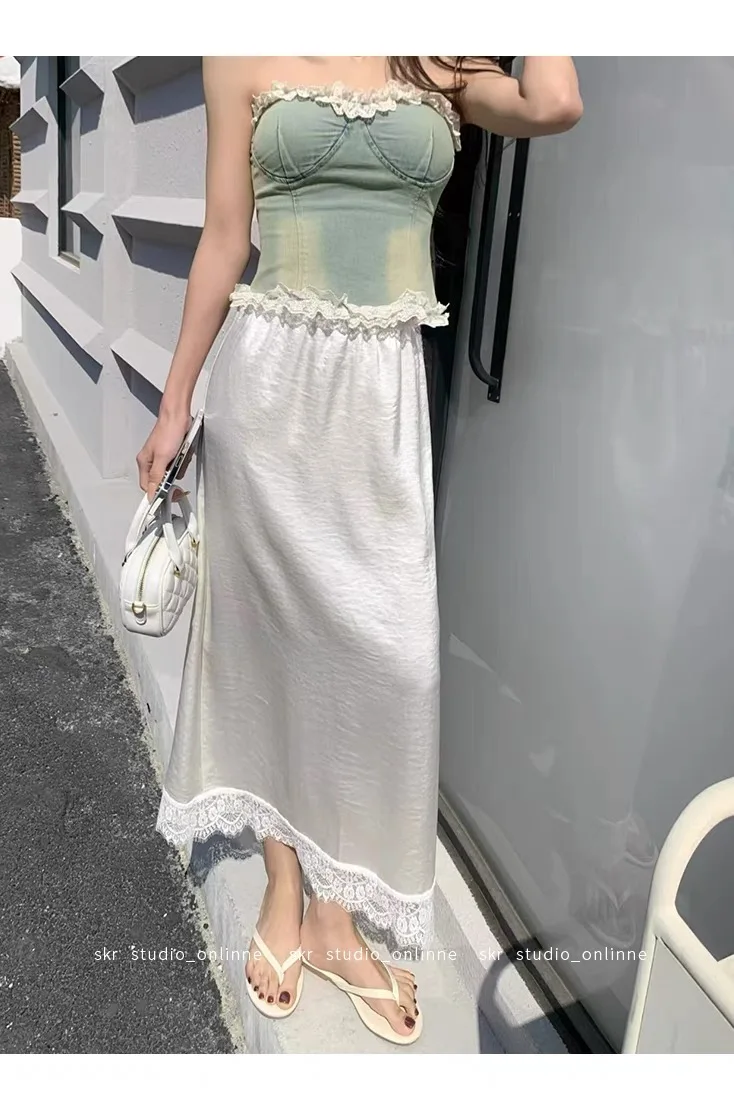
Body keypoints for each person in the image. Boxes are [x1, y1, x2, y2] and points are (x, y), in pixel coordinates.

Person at [136, 55, 582, 1045]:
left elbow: (554, 103)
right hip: (269, 391)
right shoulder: (240, 49)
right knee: (269, 648)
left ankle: (338, 915)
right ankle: (287, 891)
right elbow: (224, 238)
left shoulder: (436, 55)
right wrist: (174, 404)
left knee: (387, 658)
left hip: (381, 401)